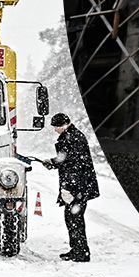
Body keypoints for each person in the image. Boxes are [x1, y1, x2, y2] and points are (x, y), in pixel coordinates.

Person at [42, 112, 100, 262]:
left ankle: (81, 253)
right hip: (77, 186)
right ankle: (77, 250)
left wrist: (69, 189)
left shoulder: (73, 137)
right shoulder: (72, 136)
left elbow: (73, 163)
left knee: (74, 219)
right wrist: (53, 163)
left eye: (56, 127)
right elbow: (68, 160)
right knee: (72, 219)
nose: (55, 130)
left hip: (78, 188)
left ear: (63, 125)